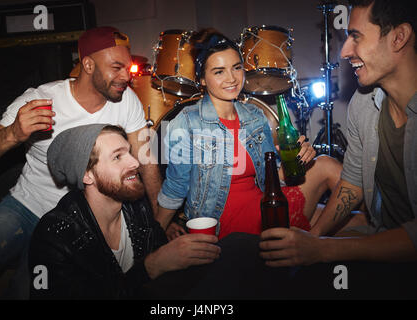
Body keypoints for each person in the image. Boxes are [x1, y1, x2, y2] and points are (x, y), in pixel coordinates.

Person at [0, 26, 161, 299]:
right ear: (88, 64)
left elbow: (146, 158)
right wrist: (13, 133)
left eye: (126, 68)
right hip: (26, 206)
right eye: (116, 68)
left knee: (29, 291)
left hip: (75, 224)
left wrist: (159, 220)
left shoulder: (127, 101)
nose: (125, 77)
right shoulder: (41, 99)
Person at [259, 0, 416, 269]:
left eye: (355, 37)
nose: (344, 51)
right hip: (380, 237)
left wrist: (323, 250)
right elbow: (353, 182)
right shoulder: (364, 103)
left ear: (398, 37)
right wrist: (311, 240)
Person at [155, 29, 343, 240]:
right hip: (223, 229)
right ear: (203, 79)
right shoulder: (186, 122)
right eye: (219, 72)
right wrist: (156, 239)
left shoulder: (254, 116)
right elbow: (175, 189)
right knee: (329, 175)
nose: (232, 78)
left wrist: (299, 160)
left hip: (266, 210)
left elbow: (272, 179)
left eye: (236, 68)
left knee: (353, 213)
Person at [29, 124, 220, 299]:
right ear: (86, 175)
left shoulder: (136, 205)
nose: (135, 163)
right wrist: (151, 267)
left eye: (129, 152)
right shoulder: (54, 236)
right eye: (117, 157)